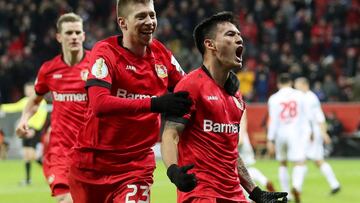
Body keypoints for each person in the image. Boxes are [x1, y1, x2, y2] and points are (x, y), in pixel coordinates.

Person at [68, 0, 191, 202]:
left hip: (136, 166)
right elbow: (99, 104)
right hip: (91, 165)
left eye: (152, 15)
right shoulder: (105, 52)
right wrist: (154, 103)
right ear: (123, 23)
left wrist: (216, 79)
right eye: (141, 16)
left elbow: (189, 88)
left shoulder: (161, 54)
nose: (150, 21)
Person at [161, 12, 287, 203]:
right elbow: (171, 133)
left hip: (234, 195)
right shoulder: (191, 85)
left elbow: (230, 151)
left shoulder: (235, 95)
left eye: (239, 35)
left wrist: (254, 192)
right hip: (201, 194)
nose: (239, 39)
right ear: (210, 44)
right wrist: (173, 171)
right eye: (230, 34)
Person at [16, 12, 89, 203]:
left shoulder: (98, 67)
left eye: (77, 32)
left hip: (92, 150)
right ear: (59, 37)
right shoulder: (49, 69)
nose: (73, 36)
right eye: (69, 33)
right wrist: (24, 119)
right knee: (66, 199)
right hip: (60, 151)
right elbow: (34, 99)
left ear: (83, 36)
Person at [267, 73, 310, 203]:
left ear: (278, 84)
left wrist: (270, 139)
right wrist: (308, 133)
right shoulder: (300, 95)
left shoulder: (273, 98)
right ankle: (296, 186)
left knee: (282, 163)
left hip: (280, 134)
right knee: (299, 162)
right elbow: (305, 116)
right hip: (295, 133)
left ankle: (287, 194)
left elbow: (273, 120)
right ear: (291, 83)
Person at [294, 77, 341, 195]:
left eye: (297, 86)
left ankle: (296, 188)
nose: (296, 88)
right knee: (318, 161)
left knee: (301, 159)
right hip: (310, 132)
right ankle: (335, 184)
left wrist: (322, 133)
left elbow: (319, 117)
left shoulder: (310, 98)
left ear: (304, 85)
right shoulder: (304, 97)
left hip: (311, 133)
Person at [0, 82, 47, 185]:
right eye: (26, 89)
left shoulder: (40, 101)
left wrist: (35, 129)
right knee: (26, 155)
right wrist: (2, 107)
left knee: (32, 155)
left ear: (34, 89)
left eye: (30, 89)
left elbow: (42, 116)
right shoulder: (25, 101)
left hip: (34, 130)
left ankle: (50, 170)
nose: (28, 91)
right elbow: (14, 107)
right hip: (25, 129)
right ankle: (28, 179)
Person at [238, 110, 275, 193]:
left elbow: (242, 123)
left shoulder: (228, 103)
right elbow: (244, 121)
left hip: (236, 140)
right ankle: (264, 181)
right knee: (246, 168)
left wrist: (239, 140)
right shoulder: (239, 102)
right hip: (243, 139)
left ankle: (250, 198)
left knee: (238, 171)